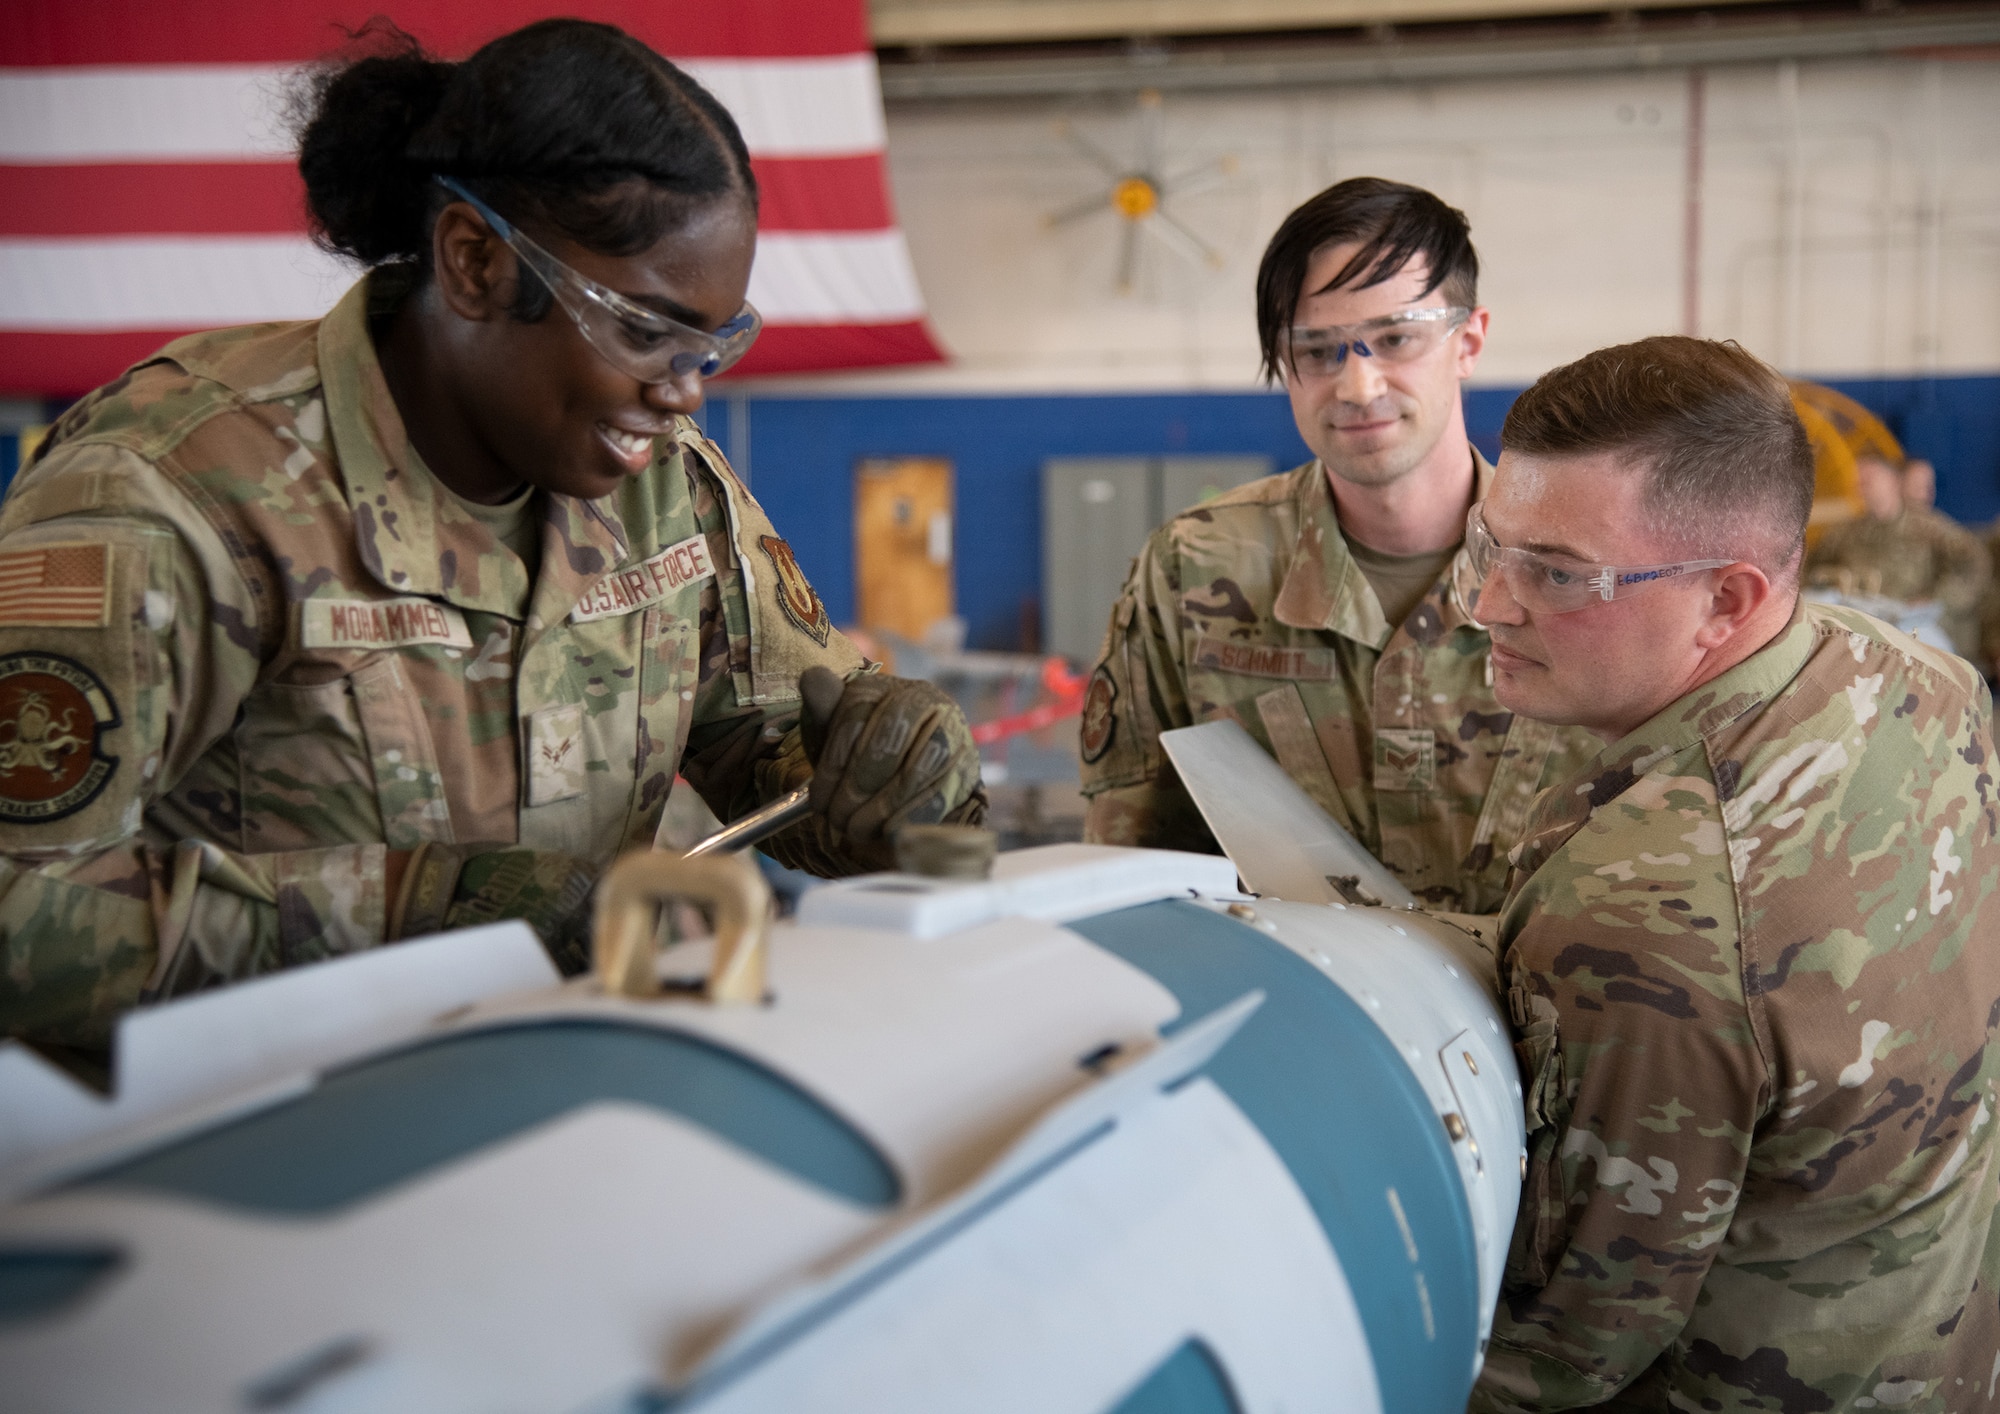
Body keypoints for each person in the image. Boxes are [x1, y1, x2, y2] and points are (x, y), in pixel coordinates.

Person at [0, 20, 982, 1070]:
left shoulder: (667, 489)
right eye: (645, 331)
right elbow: (20, 911)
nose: (684, 390)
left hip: (560, 1117)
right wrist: (414, 915)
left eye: (712, 343)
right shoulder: (177, 490)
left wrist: (886, 780)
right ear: (472, 263)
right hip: (239, 1161)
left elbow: (782, 760)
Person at [1467, 336, 2000, 1410]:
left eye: (1558, 573)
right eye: (1494, 546)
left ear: (1725, 598)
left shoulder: (1641, 915)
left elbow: (1561, 1354)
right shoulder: (1925, 682)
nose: (1489, 602)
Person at [1079, 177, 1595, 913]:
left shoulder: (1582, 567)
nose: (1357, 386)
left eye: (1395, 339)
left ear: (1468, 340)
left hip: (1545, 1020)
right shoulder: (1194, 570)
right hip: (1304, 1011)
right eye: (1317, 351)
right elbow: (1132, 865)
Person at [1805, 451, 1988, 659]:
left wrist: (1938, 601)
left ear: (1893, 481)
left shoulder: (1928, 528)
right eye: (1859, 478)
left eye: (1870, 476)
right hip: (1861, 634)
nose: (1861, 483)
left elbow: (1975, 562)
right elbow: (1811, 569)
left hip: (1913, 635)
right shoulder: (1846, 533)